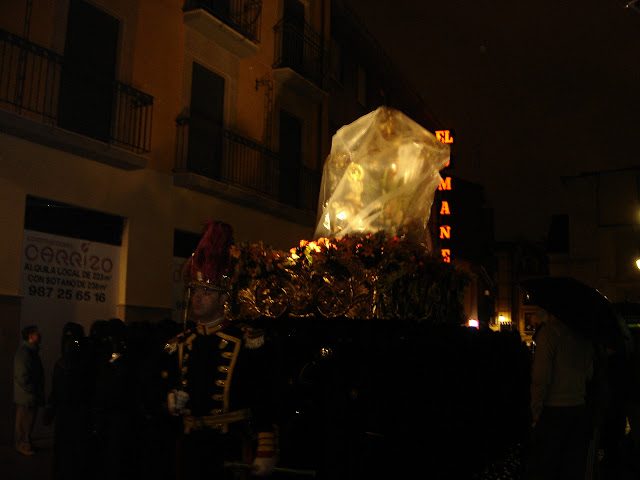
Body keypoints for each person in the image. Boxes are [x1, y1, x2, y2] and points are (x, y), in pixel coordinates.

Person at [164, 220, 279, 478]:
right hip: (191, 449)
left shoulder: (246, 341)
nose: (197, 297)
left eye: (207, 291)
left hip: (229, 448)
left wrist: (265, 449)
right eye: (195, 291)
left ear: (223, 298)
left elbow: (264, 399)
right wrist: (169, 401)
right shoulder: (179, 344)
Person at [523, 307, 595, 480]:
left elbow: (541, 376)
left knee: (548, 464)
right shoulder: (582, 335)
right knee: (571, 465)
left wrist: (535, 409)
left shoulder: (549, 333)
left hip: (553, 408)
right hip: (578, 406)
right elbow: (589, 373)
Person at [13, 325, 45, 456]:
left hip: (28, 395)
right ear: (31, 336)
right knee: (25, 423)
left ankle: (25, 443)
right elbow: (22, 376)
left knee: (27, 423)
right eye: (37, 333)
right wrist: (33, 389)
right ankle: (22, 445)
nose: (40, 335)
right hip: (28, 396)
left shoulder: (29, 352)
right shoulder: (26, 353)